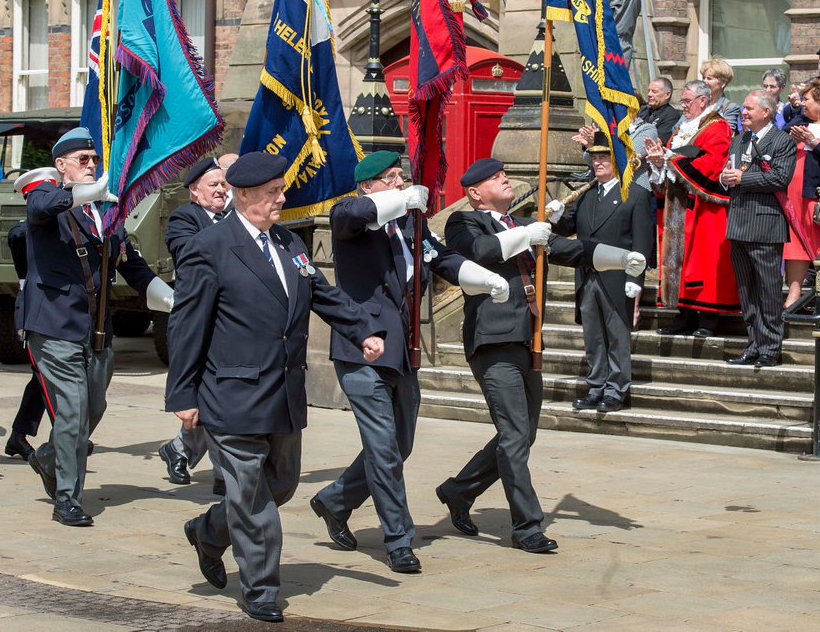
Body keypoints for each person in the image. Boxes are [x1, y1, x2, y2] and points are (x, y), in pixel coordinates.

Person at [166, 152, 385, 623]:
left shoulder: (287, 243)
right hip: (231, 392)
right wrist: (183, 394)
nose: (281, 200)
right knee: (251, 496)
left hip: (283, 391)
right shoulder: (211, 246)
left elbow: (322, 292)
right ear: (243, 196)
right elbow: (187, 325)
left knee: (279, 486)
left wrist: (362, 330)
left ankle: (208, 530)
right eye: (272, 194)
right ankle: (261, 588)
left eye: (281, 191)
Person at [312, 151, 507, 575]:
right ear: (368, 185)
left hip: (402, 351)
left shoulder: (410, 225)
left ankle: (333, 500)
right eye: (390, 177)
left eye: (402, 176)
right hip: (361, 350)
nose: (400, 183)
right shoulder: (350, 214)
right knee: (383, 448)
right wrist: (401, 200)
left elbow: (443, 260)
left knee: (400, 446)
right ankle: (398, 540)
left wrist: (485, 278)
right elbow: (354, 215)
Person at [435, 158, 645, 554]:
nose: (505, 178)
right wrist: (528, 233)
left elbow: (572, 249)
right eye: (496, 178)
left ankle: (458, 490)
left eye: (504, 173)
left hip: (528, 341)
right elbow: (478, 252)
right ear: (476, 193)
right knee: (515, 434)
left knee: (522, 434)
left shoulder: (521, 226)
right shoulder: (464, 222)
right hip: (492, 341)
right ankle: (527, 526)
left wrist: (620, 259)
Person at [23, 127, 173, 527]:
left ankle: (47, 456)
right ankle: (68, 499)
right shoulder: (45, 198)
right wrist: (87, 192)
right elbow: (40, 207)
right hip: (55, 327)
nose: (91, 167)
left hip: (97, 331)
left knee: (93, 409)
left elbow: (129, 261)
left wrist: (165, 295)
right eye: (82, 161)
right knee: (72, 413)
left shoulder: (106, 214)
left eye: (94, 160)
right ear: (61, 166)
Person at [548, 135, 654, 411]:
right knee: (593, 336)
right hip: (588, 274)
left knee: (617, 337)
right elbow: (569, 227)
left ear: (617, 161)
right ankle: (596, 386)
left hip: (618, 277)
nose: (597, 162)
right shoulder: (587, 194)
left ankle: (616, 390)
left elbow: (642, 243)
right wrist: (557, 216)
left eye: (603, 158)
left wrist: (636, 280)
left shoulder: (635, 195)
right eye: (594, 158)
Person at [157, 157, 232, 494]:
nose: (220, 190)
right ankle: (223, 475)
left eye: (223, 184)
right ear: (194, 191)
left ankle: (179, 450)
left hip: (229, 323)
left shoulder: (233, 218)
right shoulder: (184, 218)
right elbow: (188, 252)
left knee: (216, 400)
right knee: (208, 399)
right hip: (198, 320)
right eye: (213, 185)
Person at [644, 80, 739, 337]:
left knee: (702, 262)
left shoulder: (717, 126)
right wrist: (659, 161)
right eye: (682, 101)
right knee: (680, 263)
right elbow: (674, 160)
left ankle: (708, 319)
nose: (683, 106)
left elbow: (712, 163)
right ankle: (682, 315)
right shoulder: (682, 128)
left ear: (702, 100)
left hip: (705, 208)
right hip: (678, 204)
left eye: (687, 101)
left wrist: (670, 160)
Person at [721, 92, 796, 367]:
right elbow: (729, 170)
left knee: (767, 288)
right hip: (738, 223)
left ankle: (770, 347)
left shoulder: (782, 140)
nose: (744, 112)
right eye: (743, 108)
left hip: (765, 225)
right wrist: (725, 177)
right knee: (746, 289)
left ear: (767, 112)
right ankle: (752, 344)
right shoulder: (739, 139)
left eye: (750, 108)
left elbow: (780, 177)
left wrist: (743, 177)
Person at [4, 167, 62, 462]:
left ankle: (18, 435)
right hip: (33, 310)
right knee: (45, 378)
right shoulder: (21, 233)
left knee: (41, 379)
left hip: (52, 313)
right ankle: (62, 437)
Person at [784, 79, 820, 308]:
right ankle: (793, 294)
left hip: (819, 196)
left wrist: (814, 142)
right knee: (795, 246)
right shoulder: (800, 122)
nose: (803, 104)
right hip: (794, 194)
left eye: (807, 100)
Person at [700, 57, 739, 130]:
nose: (704, 81)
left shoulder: (730, 107)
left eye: (709, 78)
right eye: (703, 78)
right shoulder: (697, 103)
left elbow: (727, 132)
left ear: (723, 83)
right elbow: (678, 127)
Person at [640, 77, 681, 144]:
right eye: (648, 91)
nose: (649, 94)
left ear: (667, 95)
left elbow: (655, 142)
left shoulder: (671, 116)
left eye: (654, 91)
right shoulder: (644, 110)